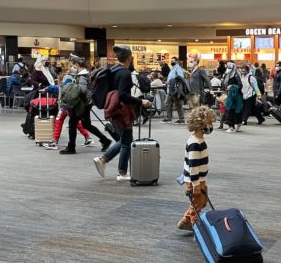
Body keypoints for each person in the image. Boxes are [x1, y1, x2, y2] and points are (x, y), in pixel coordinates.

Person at [92, 46, 152, 181]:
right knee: (126, 142)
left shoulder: (113, 70)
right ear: (129, 58)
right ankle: (120, 171)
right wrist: (141, 102)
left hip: (113, 110)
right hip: (121, 111)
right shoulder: (124, 73)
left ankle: (105, 161)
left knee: (124, 140)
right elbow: (123, 95)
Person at [177, 106, 216, 231]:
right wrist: (196, 185)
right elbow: (193, 166)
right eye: (209, 123)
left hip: (200, 179)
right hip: (195, 180)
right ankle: (196, 228)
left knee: (202, 202)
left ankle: (185, 221)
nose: (210, 126)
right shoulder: (195, 143)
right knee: (196, 205)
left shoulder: (199, 139)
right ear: (201, 124)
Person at [53, 58, 94, 154]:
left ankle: (59, 143)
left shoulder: (78, 76)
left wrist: (73, 91)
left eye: (73, 65)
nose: (72, 68)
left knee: (71, 123)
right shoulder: (73, 75)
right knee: (78, 124)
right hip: (74, 103)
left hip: (73, 103)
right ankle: (89, 139)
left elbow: (80, 90)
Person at [162, 56, 186, 124]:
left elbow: (181, 78)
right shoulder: (172, 68)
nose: (171, 62)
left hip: (175, 90)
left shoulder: (178, 68)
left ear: (177, 61)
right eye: (171, 60)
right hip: (170, 89)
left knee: (178, 104)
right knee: (167, 103)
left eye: (173, 61)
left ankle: (181, 119)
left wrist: (171, 81)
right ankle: (169, 118)